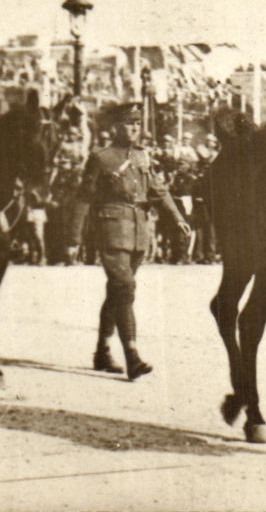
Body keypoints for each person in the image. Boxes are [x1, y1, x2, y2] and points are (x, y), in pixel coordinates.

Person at [88, 103, 191, 380]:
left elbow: (159, 190)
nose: (133, 129)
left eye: (136, 124)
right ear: (115, 128)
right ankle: (132, 355)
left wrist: (177, 217)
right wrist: (74, 237)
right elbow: (84, 197)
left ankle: (102, 351)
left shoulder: (144, 157)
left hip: (137, 233)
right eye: (127, 124)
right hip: (111, 228)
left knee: (117, 292)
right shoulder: (101, 158)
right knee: (125, 287)